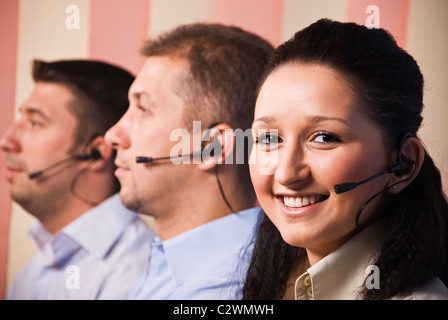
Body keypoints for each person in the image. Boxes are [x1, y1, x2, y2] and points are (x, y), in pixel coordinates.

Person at [243, 19, 448, 300]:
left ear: (403, 164)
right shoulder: (282, 282)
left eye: (324, 137)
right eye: (268, 139)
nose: (286, 173)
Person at [105, 23, 274, 299]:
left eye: (144, 109)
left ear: (212, 147)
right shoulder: (162, 269)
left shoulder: (226, 289)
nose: (112, 135)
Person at [1, 59, 154, 299]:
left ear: (95, 154)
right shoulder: (33, 271)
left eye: (35, 122)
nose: (7, 141)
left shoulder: (134, 272)